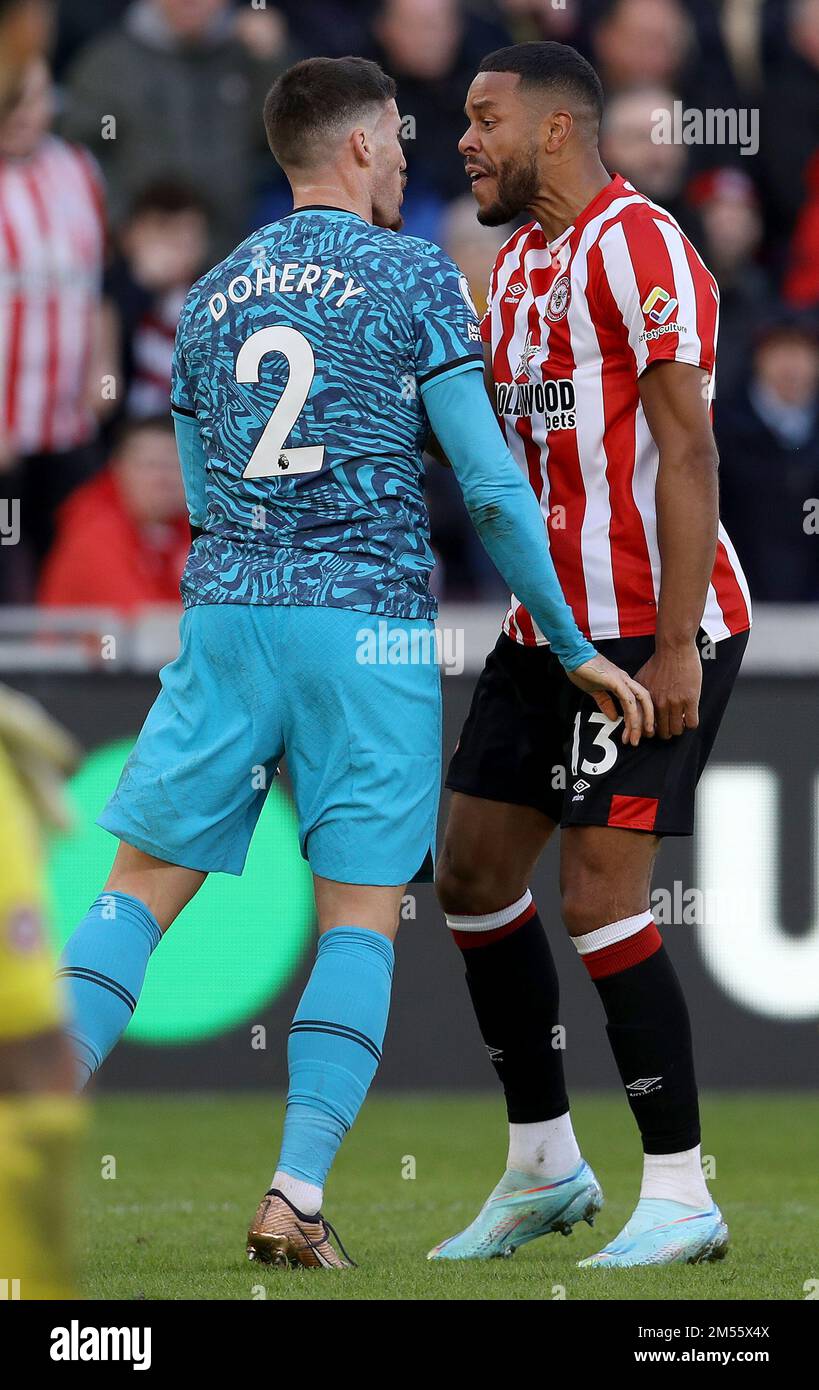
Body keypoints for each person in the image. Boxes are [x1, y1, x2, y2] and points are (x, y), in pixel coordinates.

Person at [55, 54, 651, 1272]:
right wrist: (576, 643)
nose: (414, 156)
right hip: (365, 623)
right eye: (400, 137)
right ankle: (295, 1192)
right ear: (364, 146)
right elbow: (488, 485)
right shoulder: (415, 273)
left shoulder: (214, 291)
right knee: (360, 913)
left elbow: (202, 482)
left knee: (133, 892)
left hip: (227, 612)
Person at [429, 42, 751, 1270]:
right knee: (465, 873)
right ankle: (544, 1164)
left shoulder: (643, 246)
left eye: (484, 118)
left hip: (654, 629)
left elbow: (690, 455)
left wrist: (674, 647)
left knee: (599, 899)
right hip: (547, 632)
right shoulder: (514, 269)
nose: (464, 139)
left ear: (558, 131)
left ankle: (679, 1190)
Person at [0, 58, 106, 599]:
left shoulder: (77, 167)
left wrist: (104, 368)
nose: (25, 113)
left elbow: (97, 282)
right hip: (6, 421)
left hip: (68, 419)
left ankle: (56, 683)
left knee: (66, 558)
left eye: (36, 98)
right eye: (15, 98)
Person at [716, 310, 819, 601]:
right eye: (781, 351)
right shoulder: (722, 428)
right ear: (759, 357)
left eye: (802, 352)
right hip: (741, 600)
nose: (792, 366)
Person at [39, 416, 190, 614]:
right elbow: (139, 621)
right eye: (151, 465)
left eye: (176, 466)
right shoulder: (93, 530)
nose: (163, 479)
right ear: (118, 468)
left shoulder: (186, 528)